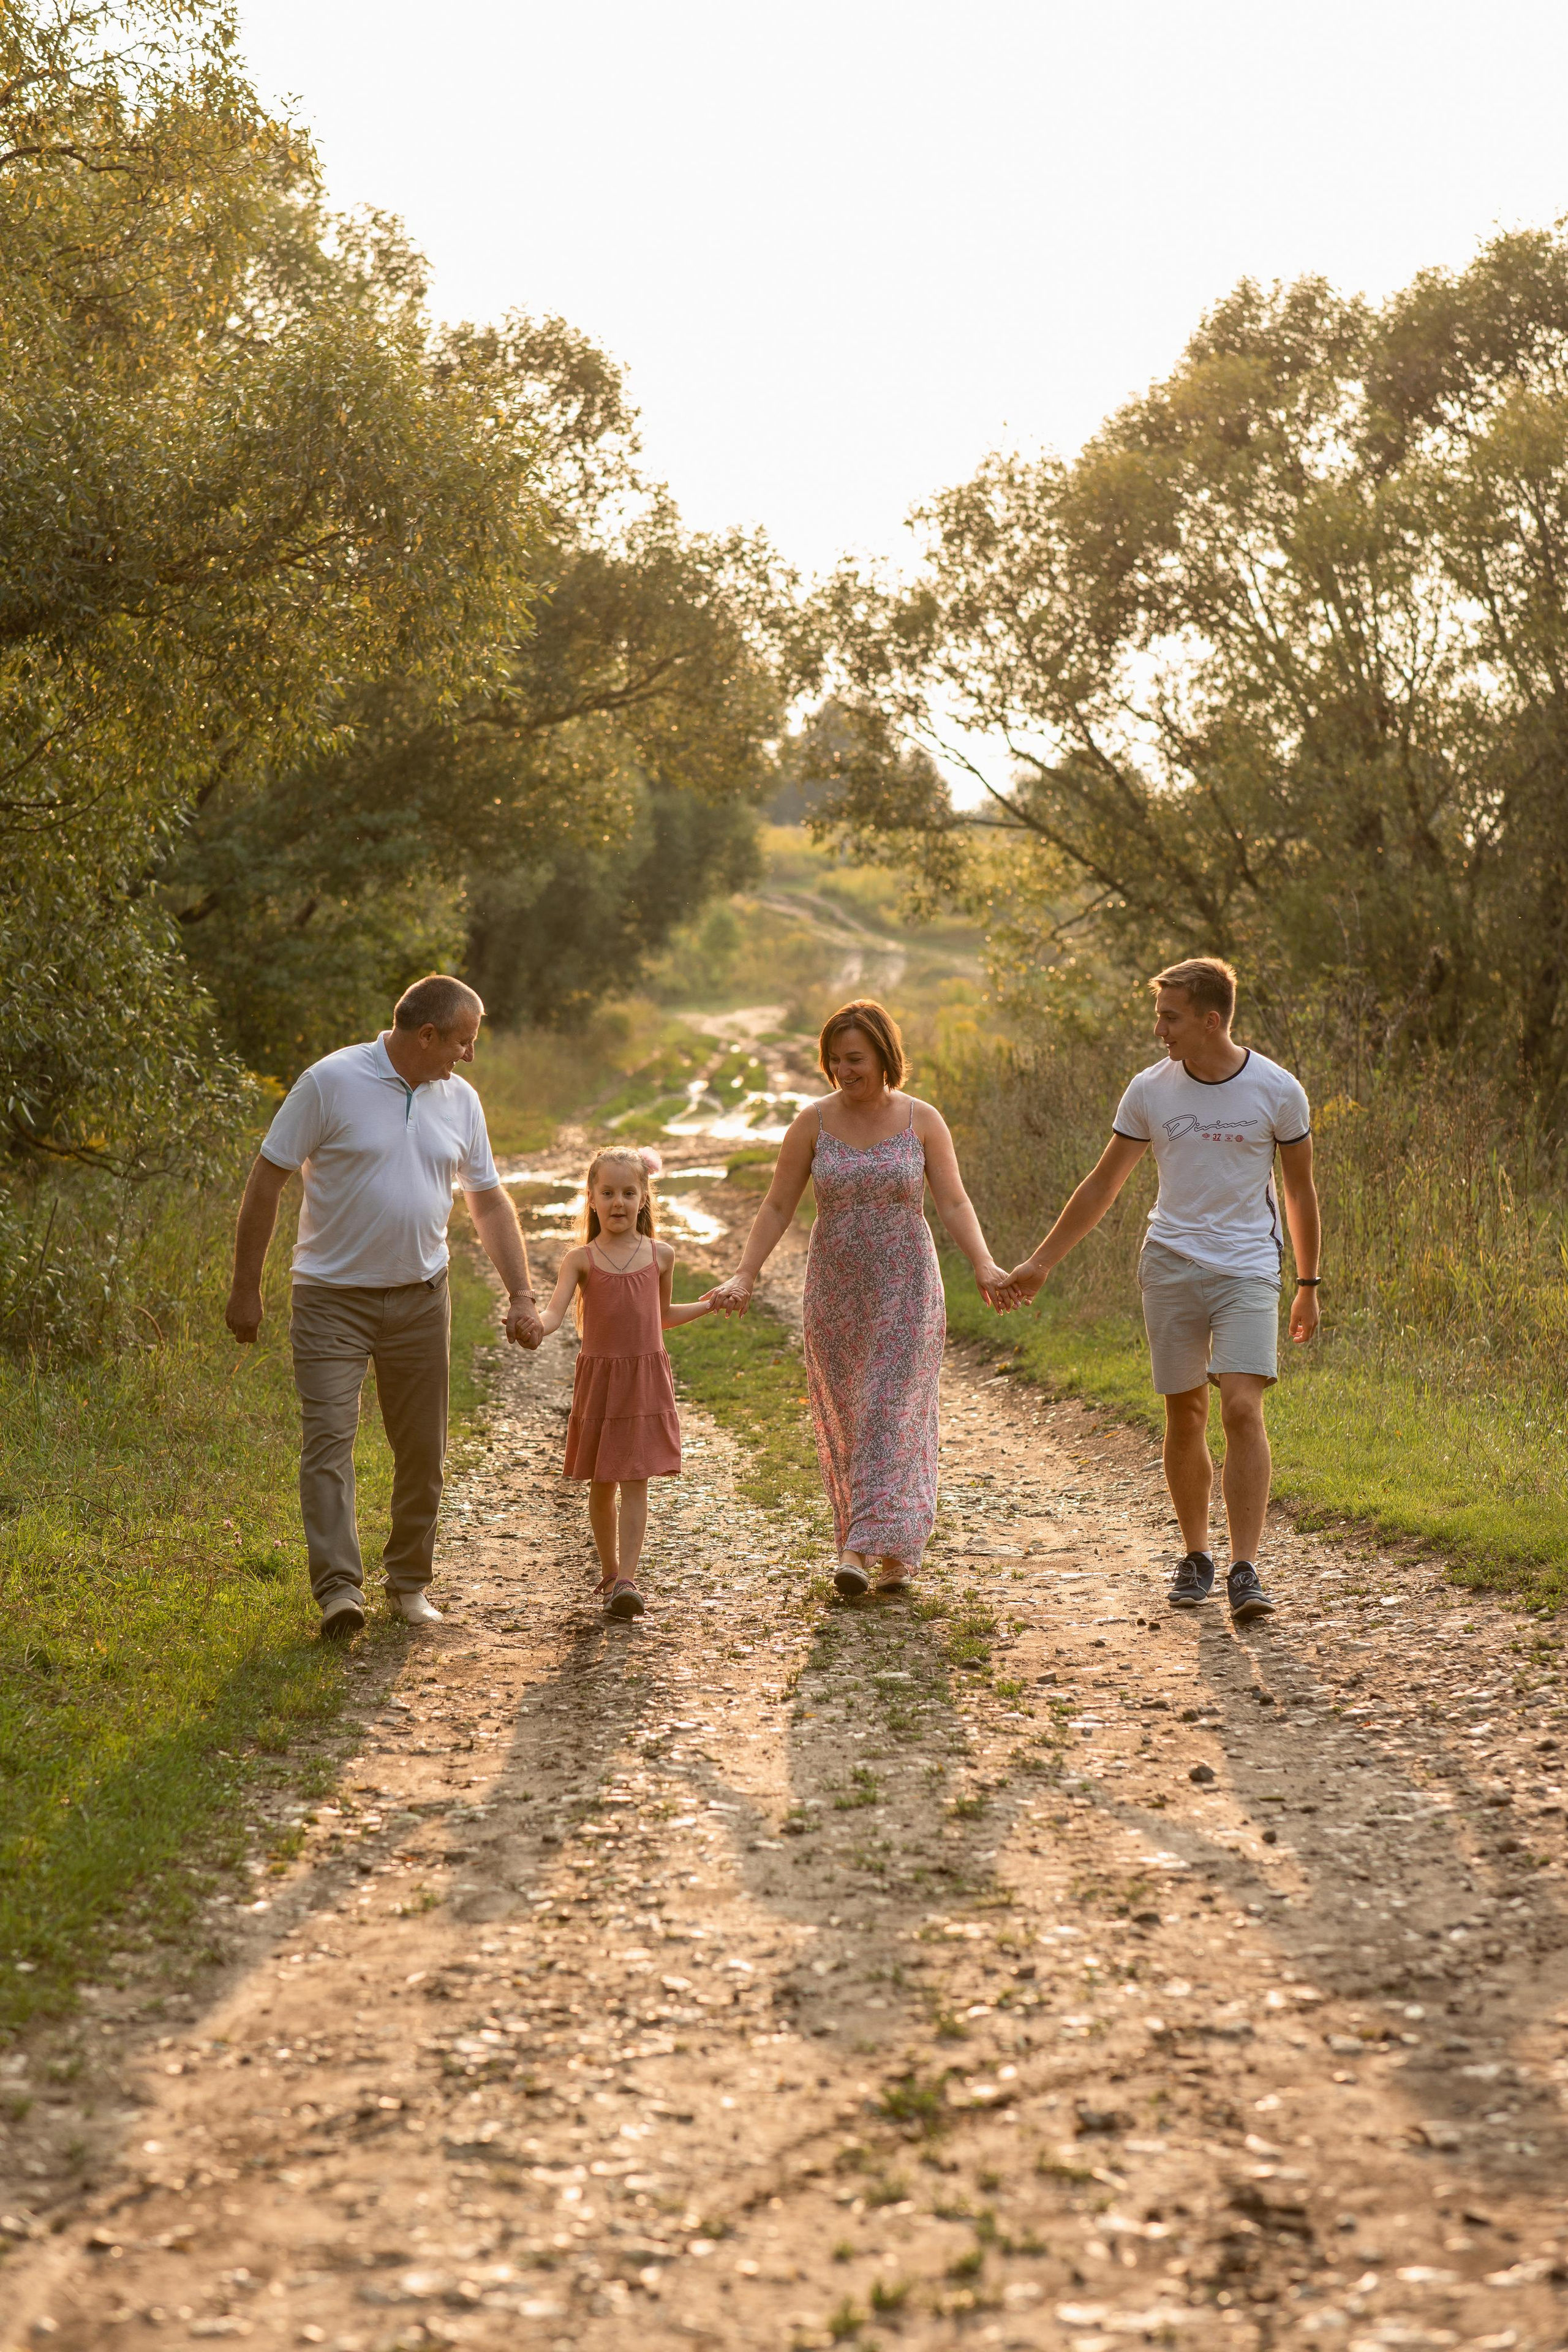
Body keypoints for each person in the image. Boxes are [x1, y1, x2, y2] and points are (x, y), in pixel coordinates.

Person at [225, 974, 542, 1639]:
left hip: (422, 1298)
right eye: (464, 1041)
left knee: (422, 1450)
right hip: (330, 1300)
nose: (469, 1055)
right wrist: (246, 1287)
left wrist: (520, 1292)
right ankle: (340, 1590)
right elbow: (267, 1178)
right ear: (426, 1035)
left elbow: (486, 1199)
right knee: (329, 1443)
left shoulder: (460, 1101)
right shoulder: (330, 1082)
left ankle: (409, 1585)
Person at [1005, 958, 1320, 1623]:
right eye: (1159, 1015)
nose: (1158, 1030)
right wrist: (1041, 1262)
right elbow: (1102, 1184)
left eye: (1169, 1017)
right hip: (1170, 1262)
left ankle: (1244, 1568)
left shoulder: (1278, 1090)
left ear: (1211, 1020)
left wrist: (1307, 1284)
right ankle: (1197, 1556)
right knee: (1186, 1414)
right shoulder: (1149, 1091)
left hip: (1248, 1269)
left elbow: (1298, 1190)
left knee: (1240, 1409)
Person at [707, 999, 1015, 1599]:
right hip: (837, 1292)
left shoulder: (921, 1120)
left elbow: (953, 1202)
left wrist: (984, 1264)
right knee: (854, 1419)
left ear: (883, 1055)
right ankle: (895, 1554)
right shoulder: (812, 1123)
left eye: (855, 1059)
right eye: (834, 1060)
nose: (844, 1070)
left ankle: (858, 1549)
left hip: (908, 1289)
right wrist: (745, 1274)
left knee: (890, 1412)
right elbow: (776, 1205)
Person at [534, 1145, 712, 1619]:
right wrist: (535, 1326)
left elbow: (664, 1316)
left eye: (628, 1192)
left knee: (636, 1478)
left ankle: (629, 1580)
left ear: (644, 1198)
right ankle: (611, 1570)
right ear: (591, 1199)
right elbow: (554, 1313)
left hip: (644, 1377)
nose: (618, 1202)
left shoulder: (662, 1255)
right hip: (602, 1379)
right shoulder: (581, 1259)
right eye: (608, 1192)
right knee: (603, 1480)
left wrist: (710, 1304)